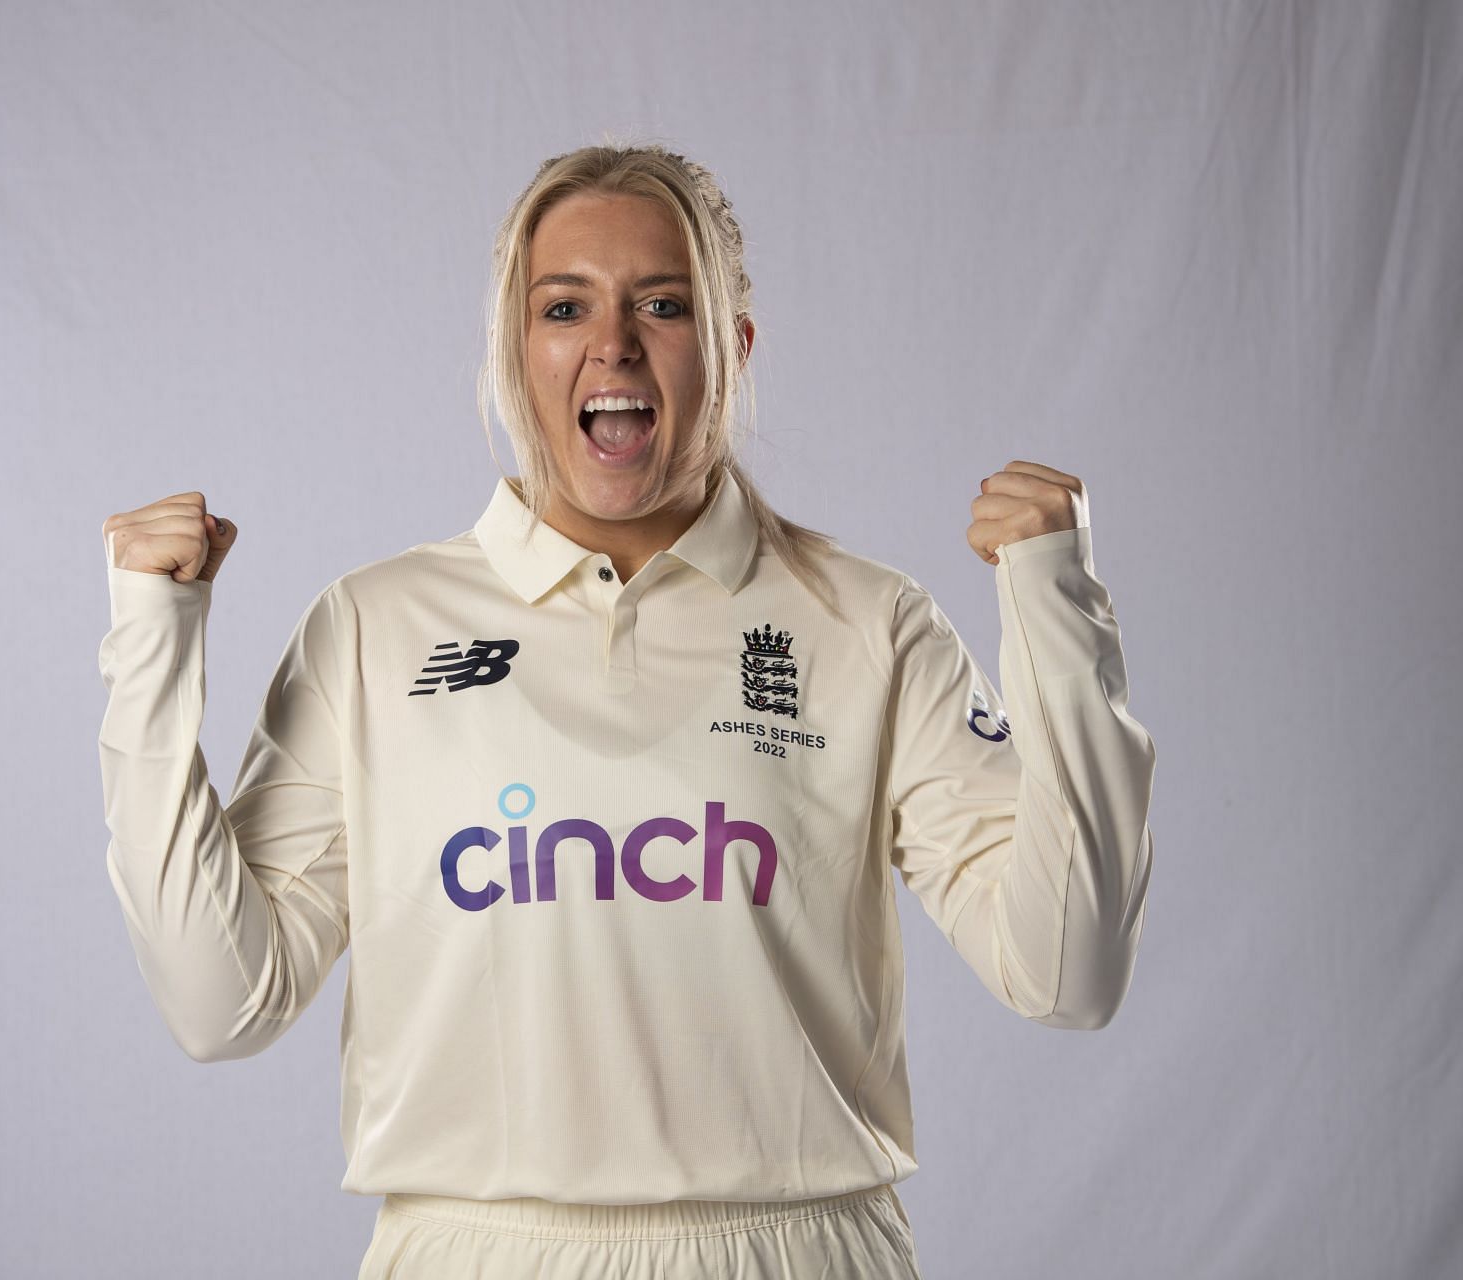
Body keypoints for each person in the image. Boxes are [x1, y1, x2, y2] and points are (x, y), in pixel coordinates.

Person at [95, 141, 1155, 1279]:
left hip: (796, 1249)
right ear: (517, 350)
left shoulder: (867, 623)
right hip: (476, 1248)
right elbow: (222, 1000)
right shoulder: (375, 627)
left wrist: (1055, 605)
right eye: (565, 306)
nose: (614, 343)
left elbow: (1067, 971)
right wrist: (152, 642)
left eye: (663, 302)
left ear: (732, 351)